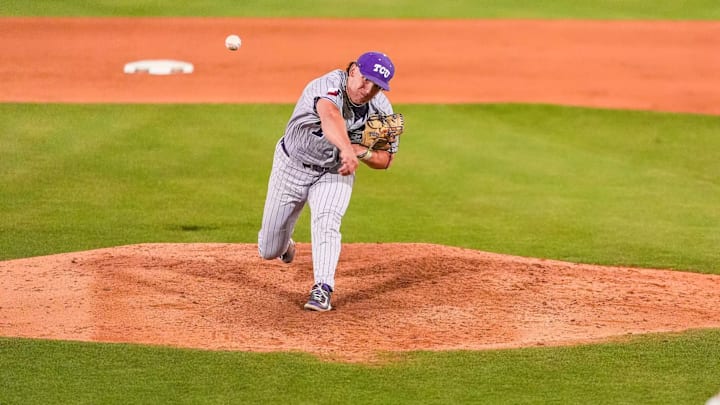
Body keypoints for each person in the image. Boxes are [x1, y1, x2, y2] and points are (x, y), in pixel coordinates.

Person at [257, 51, 399, 311]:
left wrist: (362, 152)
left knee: (327, 220)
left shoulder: (382, 110)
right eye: (366, 80)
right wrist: (347, 148)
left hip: (334, 172)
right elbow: (330, 115)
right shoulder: (327, 85)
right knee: (268, 249)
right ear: (353, 70)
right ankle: (284, 244)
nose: (368, 90)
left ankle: (322, 288)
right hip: (292, 164)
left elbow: (386, 159)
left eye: (377, 86)